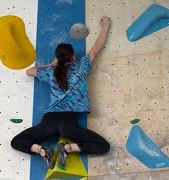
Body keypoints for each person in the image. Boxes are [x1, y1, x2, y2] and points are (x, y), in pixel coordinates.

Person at [11, 16, 111, 170]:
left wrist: (51, 64)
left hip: (49, 121)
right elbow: (95, 49)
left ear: (58, 59)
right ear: (73, 57)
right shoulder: (82, 68)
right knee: (102, 146)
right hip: (68, 122)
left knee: (17, 141)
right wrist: (104, 27)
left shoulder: (51, 72)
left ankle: (41, 150)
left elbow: (29, 72)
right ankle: (67, 149)